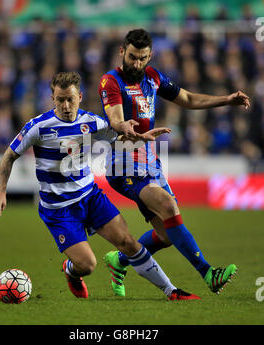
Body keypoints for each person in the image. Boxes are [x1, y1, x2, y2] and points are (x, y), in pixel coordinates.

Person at [0, 71, 200, 301]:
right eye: (60, 100)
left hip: (90, 197)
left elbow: (119, 140)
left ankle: (172, 291)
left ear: (79, 96)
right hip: (59, 210)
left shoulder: (93, 122)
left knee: (128, 242)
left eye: (70, 99)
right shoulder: (38, 127)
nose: (66, 105)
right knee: (88, 265)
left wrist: (141, 137)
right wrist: (1, 190)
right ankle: (71, 271)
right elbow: (9, 156)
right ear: (53, 99)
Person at [99, 29, 250, 297]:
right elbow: (116, 119)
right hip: (122, 162)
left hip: (149, 160)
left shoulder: (154, 77)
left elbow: (188, 99)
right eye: (132, 57)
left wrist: (226, 100)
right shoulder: (111, 81)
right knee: (169, 206)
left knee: (167, 235)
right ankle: (208, 273)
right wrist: (129, 129)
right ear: (122, 51)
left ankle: (119, 260)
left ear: (150, 56)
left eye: (142, 58)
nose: (136, 64)